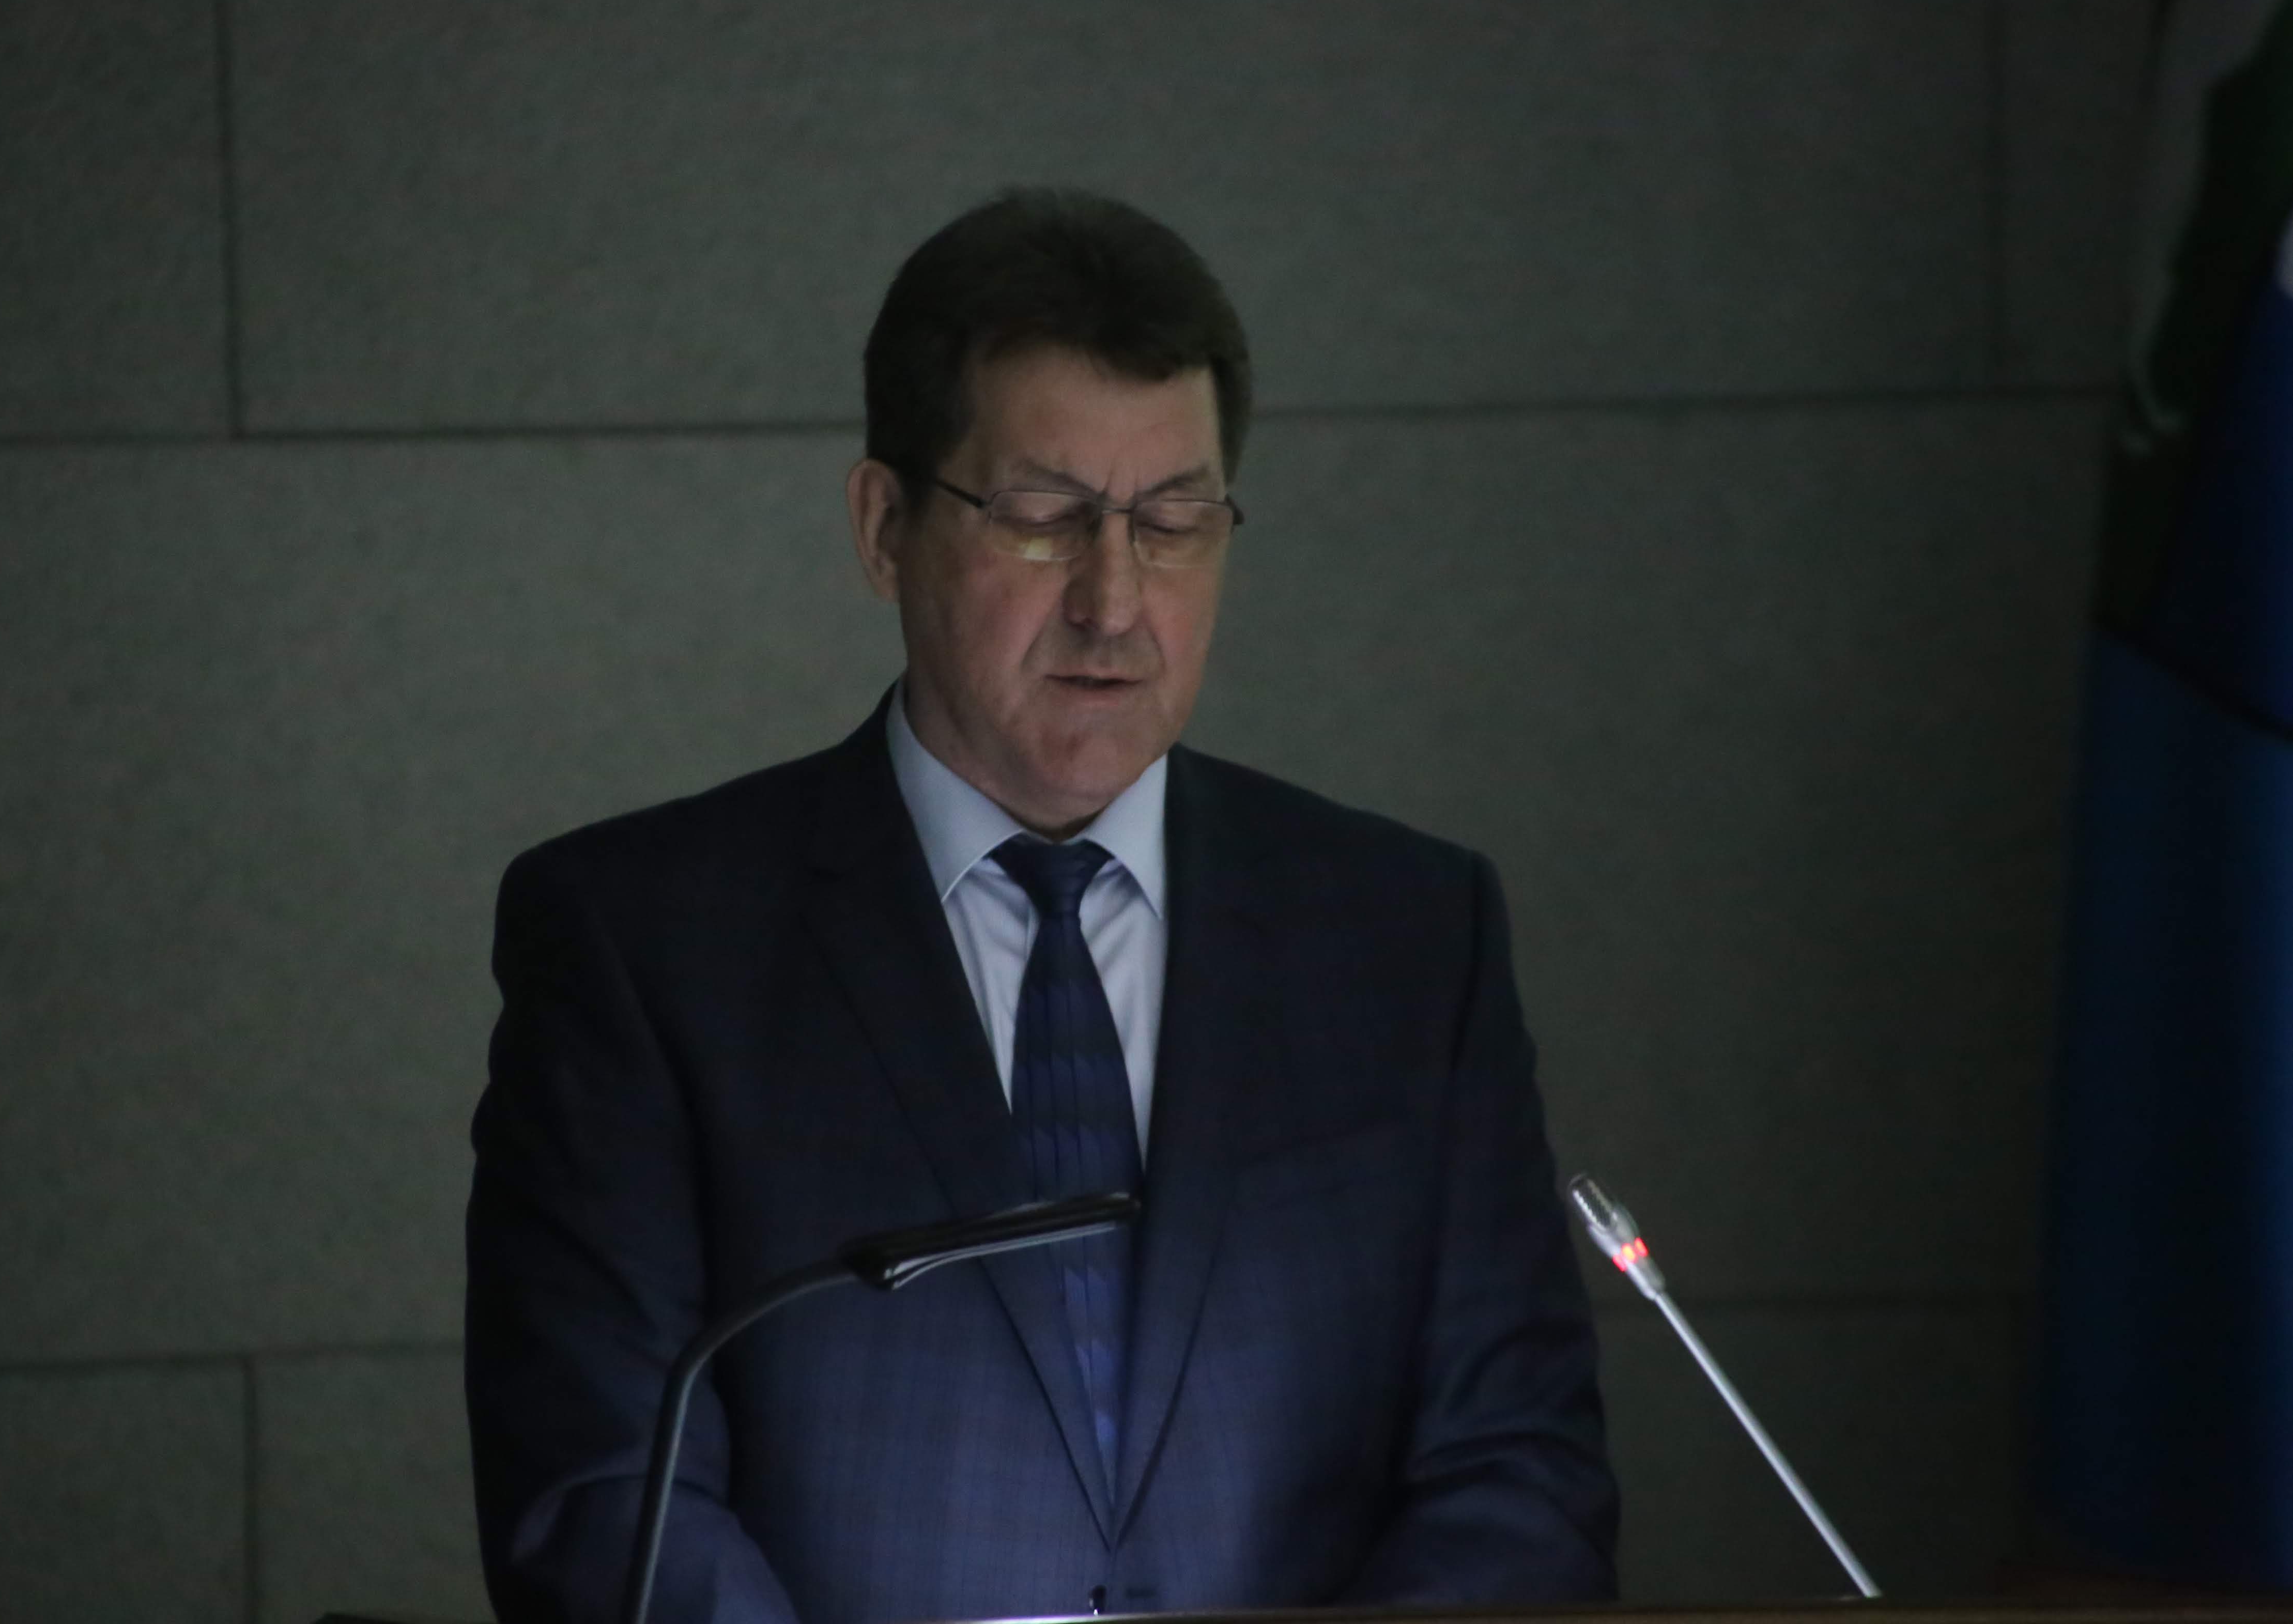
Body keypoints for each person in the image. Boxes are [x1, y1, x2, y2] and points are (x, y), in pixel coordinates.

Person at [466, 188, 1618, 1624]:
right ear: (885, 526)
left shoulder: (1408, 935)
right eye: (1044, 518)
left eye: (1174, 521)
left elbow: (1517, 1475)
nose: (1113, 601)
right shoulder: (643, 943)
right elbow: (606, 1500)